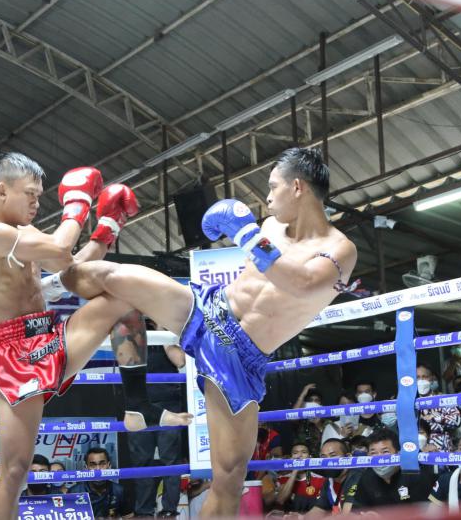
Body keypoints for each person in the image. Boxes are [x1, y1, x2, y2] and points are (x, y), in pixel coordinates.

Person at [57, 147, 358, 516]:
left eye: (272, 187)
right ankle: (59, 297)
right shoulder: (269, 227)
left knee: (228, 480)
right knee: (109, 277)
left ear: (297, 187)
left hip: (240, 355)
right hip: (207, 308)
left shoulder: (340, 249)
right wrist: (253, 235)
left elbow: (303, 282)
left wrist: (247, 235)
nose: (267, 197)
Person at [0, 153, 191, 520]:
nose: (37, 204)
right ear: (2, 191)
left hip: (49, 336)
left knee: (121, 295)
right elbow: (59, 250)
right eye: (30, 194)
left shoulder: (25, 234)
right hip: (14, 355)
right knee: (15, 472)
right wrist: (78, 202)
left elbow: (70, 264)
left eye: (40, 196)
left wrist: (107, 228)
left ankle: (138, 404)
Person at [128, 338, 186, 517]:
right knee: (141, 461)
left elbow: (180, 361)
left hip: (168, 402)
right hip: (138, 403)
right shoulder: (132, 328)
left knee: (170, 460)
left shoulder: (168, 330)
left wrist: (162, 333)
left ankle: (169, 511)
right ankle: (144, 512)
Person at [343, 429, 434, 512]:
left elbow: (427, 513)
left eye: (385, 452)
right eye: (373, 453)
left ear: (398, 453)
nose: (379, 458)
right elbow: (357, 512)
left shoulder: (415, 474)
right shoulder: (367, 477)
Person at [72, 448, 132, 518]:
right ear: (86, 468)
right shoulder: (75, 492)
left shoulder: (119, 491)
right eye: (93, 465)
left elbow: (128, 517)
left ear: (109, 466)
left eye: (102, 464)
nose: (98, 469)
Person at [417, 363, 461, 451]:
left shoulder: (443, 399)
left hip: (442, 452)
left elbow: (457, 420)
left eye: (424, 377)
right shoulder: (408, 402)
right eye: (417, 377)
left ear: (431, 378)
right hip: (415, 452)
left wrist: (435, 418)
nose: (421, 380)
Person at [305, 438, 353, 517]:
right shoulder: (328, 481)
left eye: (333, 455)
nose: (328, 461)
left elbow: (347, 516)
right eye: (323, 457)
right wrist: (300, 517)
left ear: (348, 457)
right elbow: (319, 509)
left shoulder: (357, 477)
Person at [274, 442, 326, 514]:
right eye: (295, 453)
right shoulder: (282, 479)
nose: (299, 456)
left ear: (310, 457)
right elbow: (280, 500)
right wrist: (294, 471)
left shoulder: (321, 480)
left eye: (304, 452)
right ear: (291, 458)